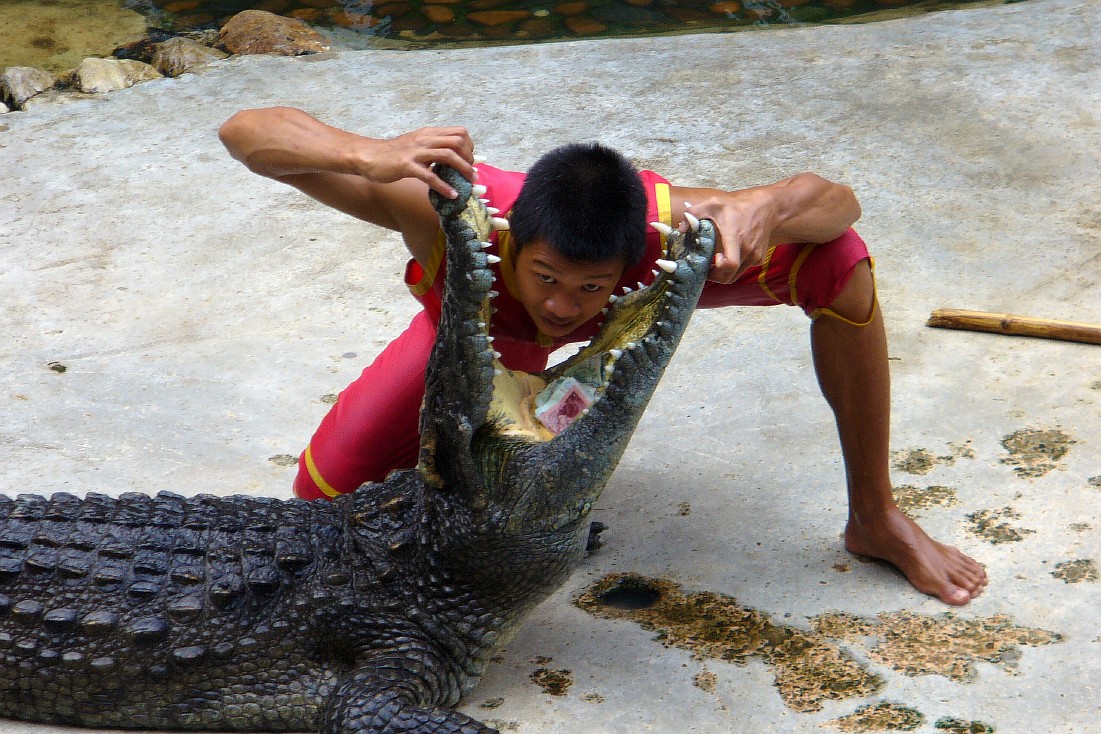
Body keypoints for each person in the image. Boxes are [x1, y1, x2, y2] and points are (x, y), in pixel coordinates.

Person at [218, 107, 987, 606]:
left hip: (625, 305)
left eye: (588, 286)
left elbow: (839, 209)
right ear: (515, 239)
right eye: (545, 278)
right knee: (321, 506)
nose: (560, 305)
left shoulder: (663, 233)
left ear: (627, 262)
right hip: (474, 344)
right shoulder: (454, 208)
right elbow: (244, 133)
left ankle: (875, 516)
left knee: (838, 263)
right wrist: (361, 153)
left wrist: (770, 204)